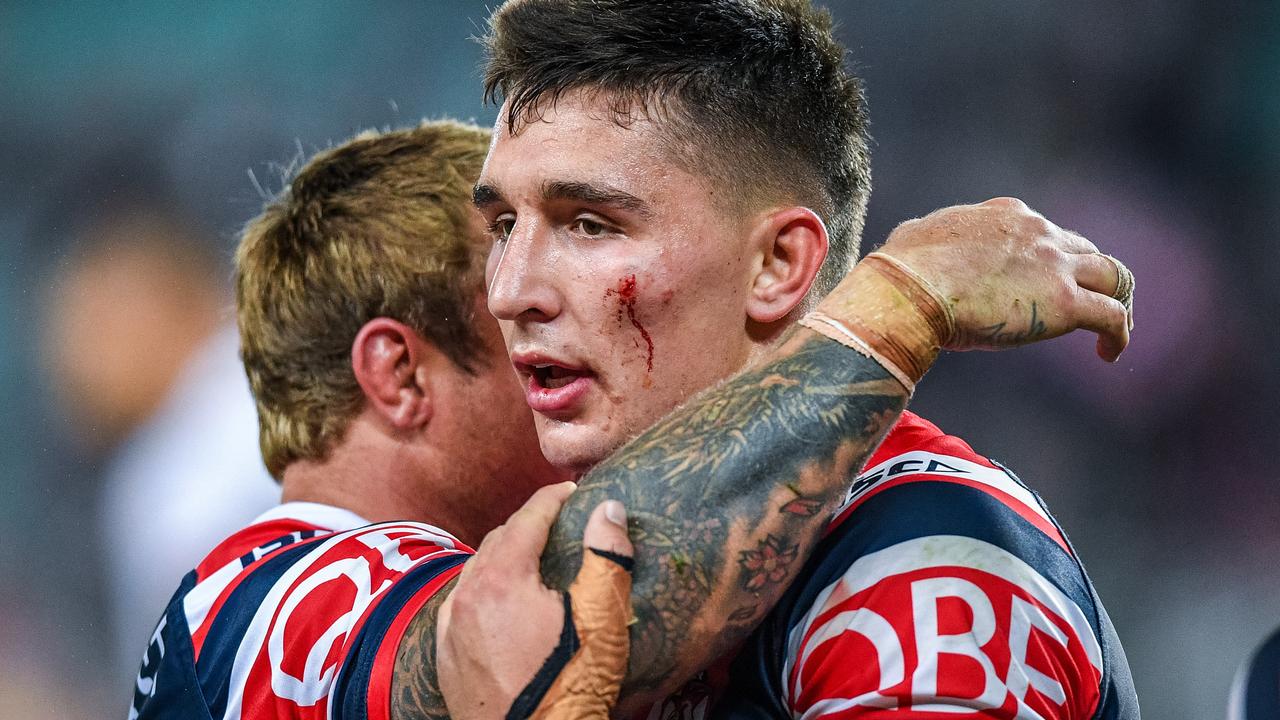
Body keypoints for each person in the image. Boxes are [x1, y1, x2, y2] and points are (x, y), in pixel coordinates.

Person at [127, 113, 1125, 720]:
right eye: (517, 325)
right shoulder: (263, 602)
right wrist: (889, 311)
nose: (546, 344)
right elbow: (517, 639)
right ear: (397, 375)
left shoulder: (926, 545)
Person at [440, 0, 1141, 717]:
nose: (509, 290)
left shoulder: (923, 551)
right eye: (503, 225)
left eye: (590, 225)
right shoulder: (558, 547)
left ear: (777, 265)